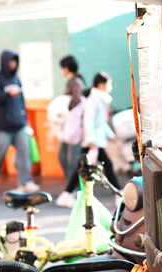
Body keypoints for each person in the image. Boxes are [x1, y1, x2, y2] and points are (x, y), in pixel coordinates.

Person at [56, 72, 121, 207]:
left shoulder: (99, 99)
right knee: (104, 165)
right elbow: (89, 121)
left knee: (85, 167)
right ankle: (119, 194)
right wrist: (91, 141)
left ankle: (66, 194)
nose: (111, 87)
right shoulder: (94, 99)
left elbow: (100, 122)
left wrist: (110, 135)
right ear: (102, 84)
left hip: (95, 140)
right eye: (109, 84)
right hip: (93, 141)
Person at [0, 50, 39, 193]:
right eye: (10, 61)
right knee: (1, 151)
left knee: (24, 153)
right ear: (4, 62)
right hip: (3, 126)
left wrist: (26, 121)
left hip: (19, 124)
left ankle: (25, 182)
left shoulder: (16, 79)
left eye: (15, 61)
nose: (13, 64)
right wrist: (7, 93)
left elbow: (21, 101)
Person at [54, 56, 86, 207]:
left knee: (73, 160)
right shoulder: (75, 80)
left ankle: (75, 190)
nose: (61, 70)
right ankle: (73, 188)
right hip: (70, 126)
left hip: (75, 127)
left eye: (62, 67)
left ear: (66, 67)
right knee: (64, 156)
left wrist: (66, 110)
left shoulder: (75, 81)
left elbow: (77, 99)